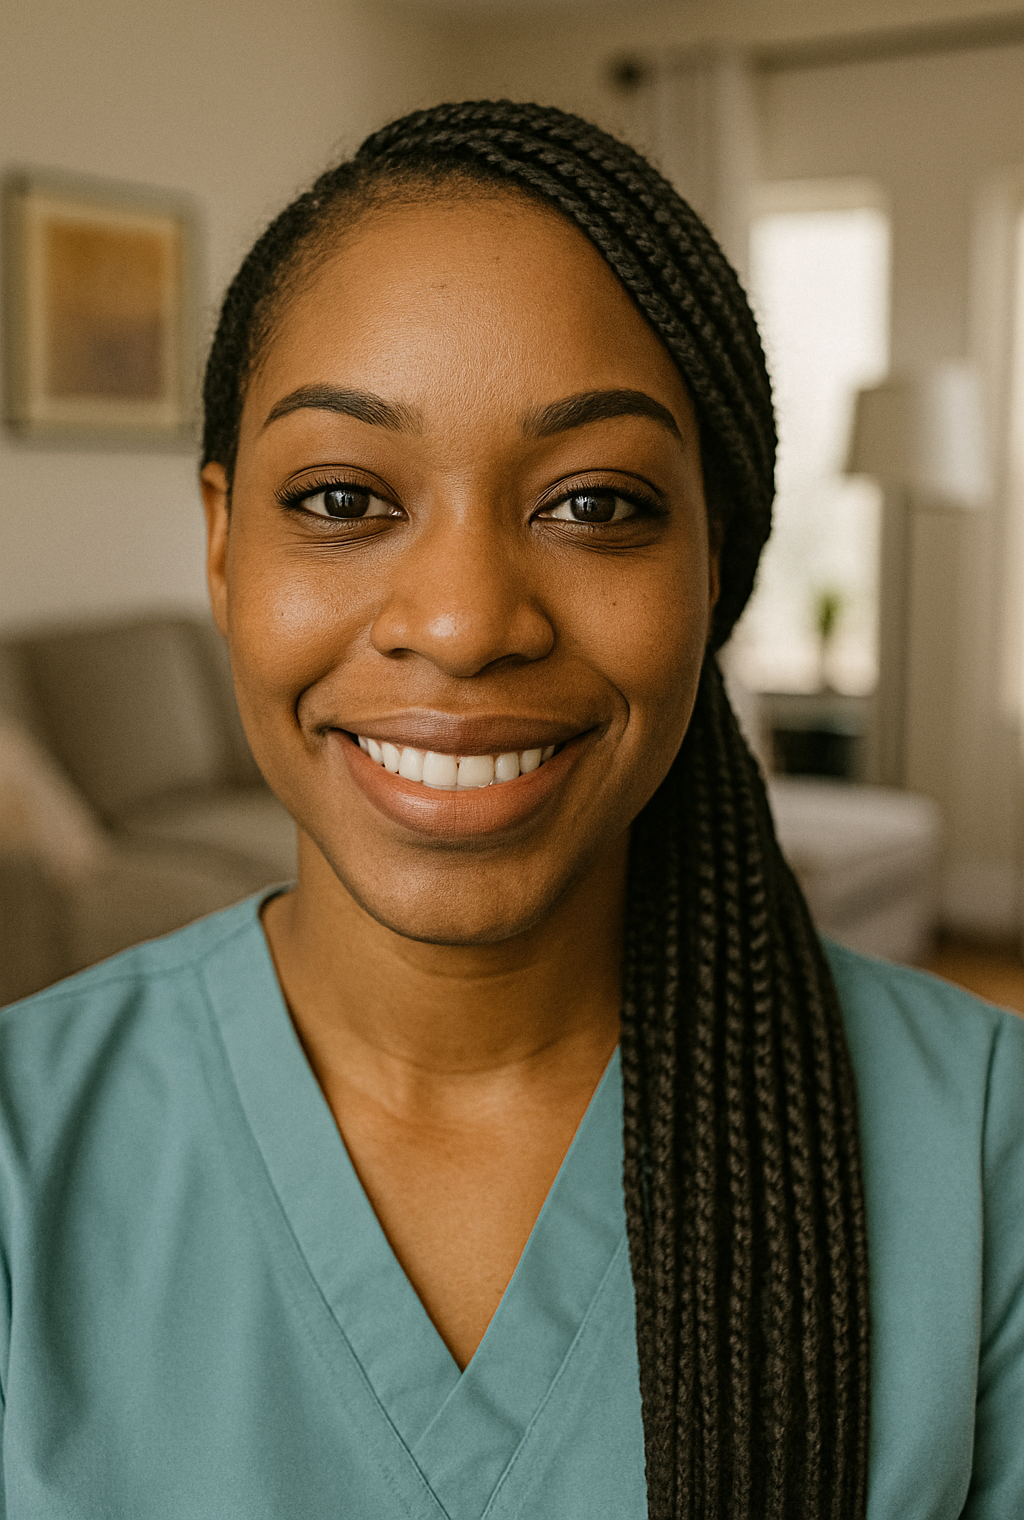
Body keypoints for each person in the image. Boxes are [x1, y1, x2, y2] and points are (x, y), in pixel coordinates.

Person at [0, 101, 1021, 1520]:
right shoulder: (21, 1152)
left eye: (596, 505)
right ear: (224, 547)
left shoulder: (984, 1154)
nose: (468, 621)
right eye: (347, 495)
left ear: (714, 566)